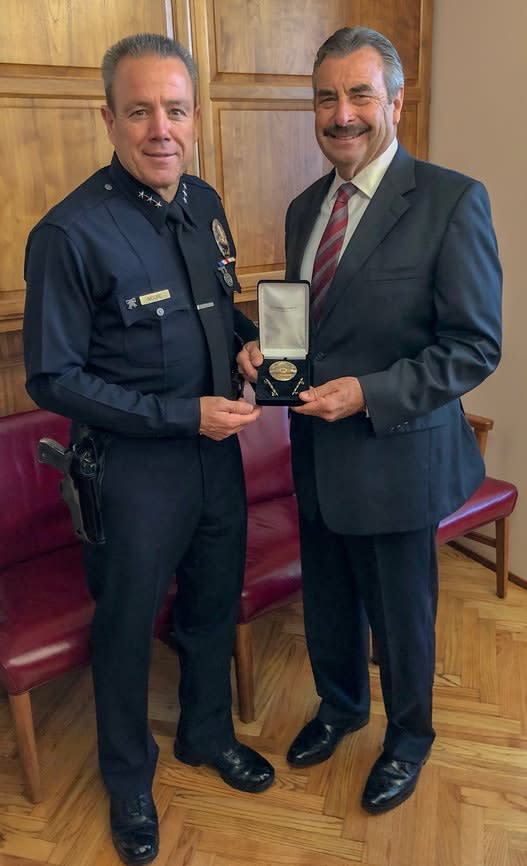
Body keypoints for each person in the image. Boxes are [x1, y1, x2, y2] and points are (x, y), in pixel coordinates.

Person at [23, 32, 274, 866]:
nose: (158, 129)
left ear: (194, 116)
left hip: (216, 459)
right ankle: (129, 778)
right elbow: (52, 379)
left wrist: (245, 343)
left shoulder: (203, 202)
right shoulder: (69, 232)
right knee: (127, 631)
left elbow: (217, 311)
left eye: (174, 109)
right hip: (131, 476)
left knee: (210, 609)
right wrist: (179, 417)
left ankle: (204, 735)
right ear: (109, 118)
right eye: (139, 112)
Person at [237, 25, 502, 815]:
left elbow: (472, 347)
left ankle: (409, 738)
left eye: (358, 94)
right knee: (326, 599)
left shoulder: (451, 199)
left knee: (401, 613)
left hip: (394, 454)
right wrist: (263, 353)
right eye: (326, 97)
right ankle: (341, 707)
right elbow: (305, 327)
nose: (341, 113)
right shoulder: (302, 208)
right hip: (315, 449)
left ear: (392, 102)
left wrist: (369, 393)